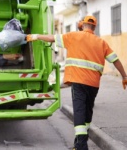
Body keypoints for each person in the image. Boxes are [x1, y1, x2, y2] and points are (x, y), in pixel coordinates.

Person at [26, 15, 127, 150]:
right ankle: (80, 143)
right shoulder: (101, 42)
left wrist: (35, 36)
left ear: (82, 25)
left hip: (78, 81)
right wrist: (124, 77)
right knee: (87, 112)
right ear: (94, 27)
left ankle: (81, 147)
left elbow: (52, 38)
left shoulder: (73, 36)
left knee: (79, 112)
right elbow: (115, 60)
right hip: (94, 83)